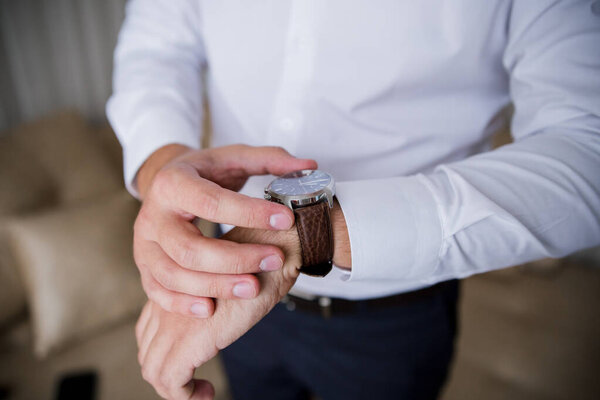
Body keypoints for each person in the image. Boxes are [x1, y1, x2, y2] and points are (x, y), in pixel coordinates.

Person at [107, 1, 600, 399]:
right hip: (224, 289)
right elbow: (158, 43)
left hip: (391, 321)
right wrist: (163, 165)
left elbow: (587, 147)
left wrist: (301, 233)